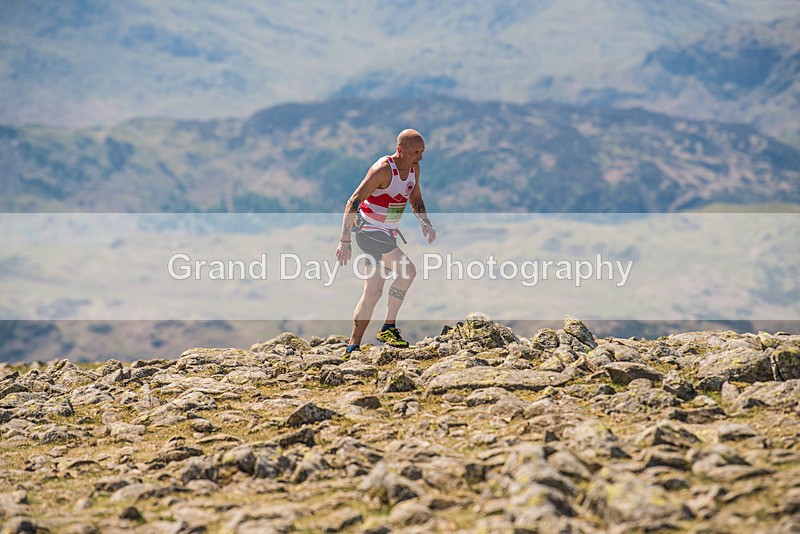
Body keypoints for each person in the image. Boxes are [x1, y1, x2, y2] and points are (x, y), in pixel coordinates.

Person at [335, 129, 436, 354]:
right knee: (408, 271)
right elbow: (353, 201)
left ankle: (352, 347)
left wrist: (425, 223)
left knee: (372, 293)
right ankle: (388, 327)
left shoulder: (413, 169)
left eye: (422, 152)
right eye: (415, 152)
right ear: (400, 150)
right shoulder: (382, 170)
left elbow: (416, 198)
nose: (420, 157)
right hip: (369, 232)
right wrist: (345, 240)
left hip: (387, 234)